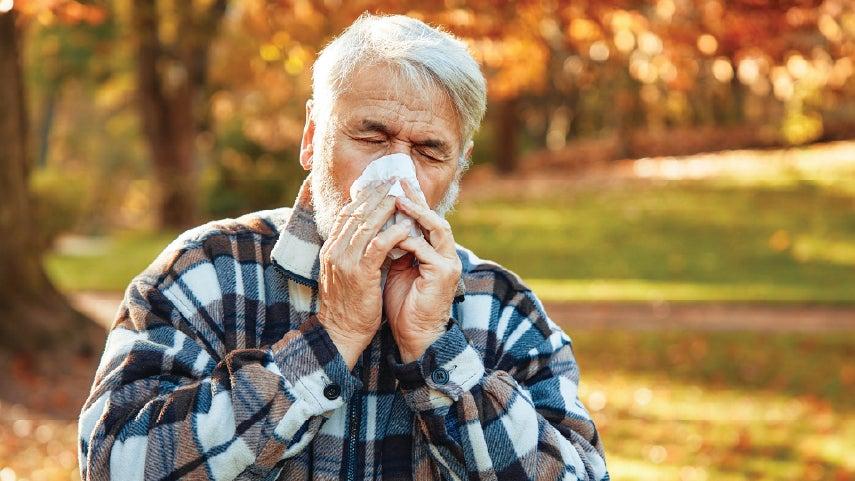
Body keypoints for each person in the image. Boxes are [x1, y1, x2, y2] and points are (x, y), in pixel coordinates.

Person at [77, 13, 609, 481]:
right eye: (371, 138)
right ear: (312, 136)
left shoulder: (503, 310)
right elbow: (113, 464)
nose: (396, 176)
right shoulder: (205, 273)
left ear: (459, 167)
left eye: (429, 150)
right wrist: (329, 340)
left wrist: (439, 353)